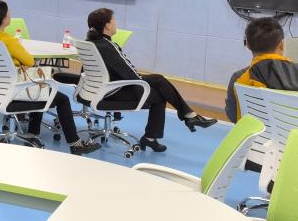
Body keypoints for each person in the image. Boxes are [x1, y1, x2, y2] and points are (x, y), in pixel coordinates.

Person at [85, 8, 216, 153]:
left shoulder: (91, 43)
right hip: (112, 92)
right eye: (113, 20)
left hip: (100, 89)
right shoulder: (108, 46)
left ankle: (184, 118)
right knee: (159, 92)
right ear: (108, 25)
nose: (116, 23)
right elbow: (131, 75)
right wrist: (144, 82)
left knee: (158, 80)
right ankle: (183, 119)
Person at [0, 1, 99, 155]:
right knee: (60, 98)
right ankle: (75, 143)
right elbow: (29, 61)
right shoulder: (8, 40)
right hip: (15, 92)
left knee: (40, 88)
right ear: (2, 18)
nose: (10, 14)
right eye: (8, 12)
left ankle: (33, 133)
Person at [226, 17, 298, 123]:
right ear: (281, 44)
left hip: (260, 133)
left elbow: (233, 116)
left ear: (248, 45)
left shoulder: (238, 78)